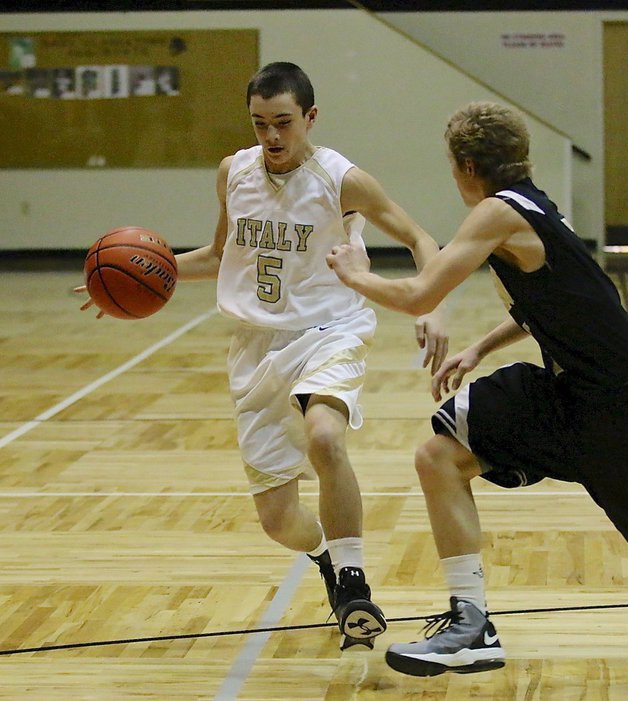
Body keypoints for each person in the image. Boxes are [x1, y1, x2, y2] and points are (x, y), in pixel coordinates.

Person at [326, 101, 628, 676]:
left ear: (467, 166)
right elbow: (543, 306)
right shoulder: (531, 208)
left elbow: (422, 295)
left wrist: (352, 274)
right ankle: (471, 623)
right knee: (439, 456)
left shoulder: (499, 213)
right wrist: (479, 349)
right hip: (563, 395)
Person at [78, 62, 448, 651]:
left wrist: (430, 302)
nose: (271, 137)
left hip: (331, 327)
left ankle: (353, 582)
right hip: (257, 348)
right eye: (260, 124)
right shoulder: (234, 172)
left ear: (310, 118)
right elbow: (221, 254)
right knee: (279, 523)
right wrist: (135, 278)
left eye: (283, 123)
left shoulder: (341, 179)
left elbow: (420, 238)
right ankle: (327, 558)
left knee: (325, 437)